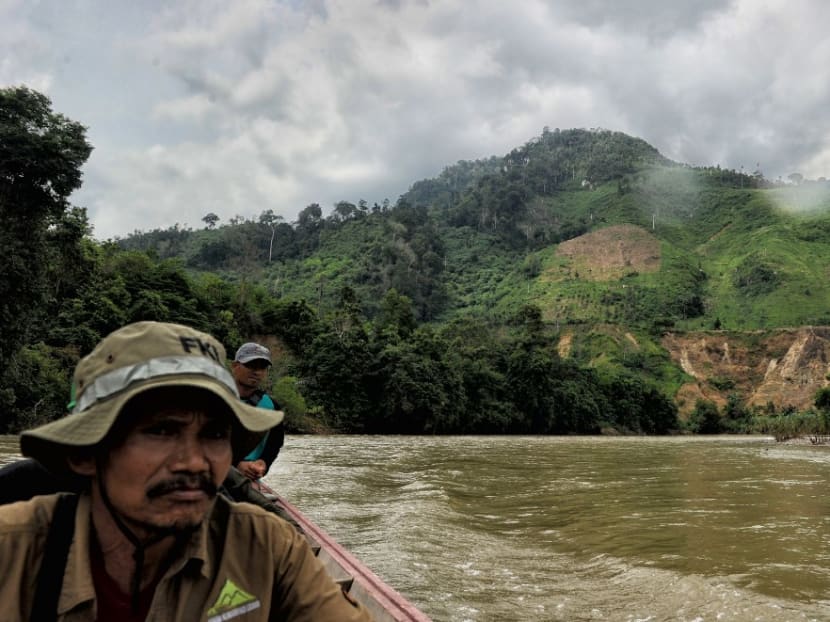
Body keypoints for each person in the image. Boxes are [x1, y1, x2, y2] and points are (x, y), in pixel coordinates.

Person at [0, 321, 371, 621]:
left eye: (214, 433)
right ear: (86, 455)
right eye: (161, 430)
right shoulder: (13, 549)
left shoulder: (268, 547)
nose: (195, 463)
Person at [231, 342, 285, 481]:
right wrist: (236, 464)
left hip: (248, 480)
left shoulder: (272, 407)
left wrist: (263, 462)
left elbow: (275, 443)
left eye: (262, 367)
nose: (257, 372)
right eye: (251, 365)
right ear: (235, 366)